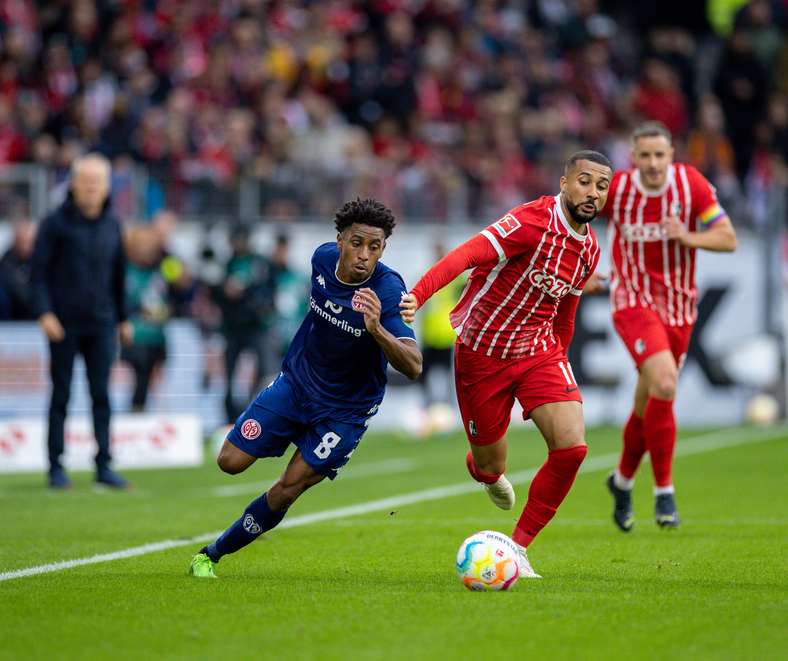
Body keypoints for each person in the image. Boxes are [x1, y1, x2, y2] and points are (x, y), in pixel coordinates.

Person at [400, 151, 612, 578]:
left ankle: (516, 549)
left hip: (539, 352)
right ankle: (482, 469)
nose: (592, 193)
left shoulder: (588, 249)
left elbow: (565, 312)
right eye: (585, 181)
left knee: (572, 448)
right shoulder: (530, 222)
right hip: (481, 354)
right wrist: (418, 296)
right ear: (565, 183)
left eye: (602, 186)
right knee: (492, 465)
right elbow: (465, 255)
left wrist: (557, 370)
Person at [189, 198, 422, 578]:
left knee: (288, 487)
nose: (364, 255)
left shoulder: (388, 290)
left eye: (375, 247)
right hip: (296, 386)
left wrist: (377, 329)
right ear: (340, 241)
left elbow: (413, 365)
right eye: (357, 243)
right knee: (229, 462)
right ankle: (277, 443)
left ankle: (211, 554)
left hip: (344, 412)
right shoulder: (320, 260)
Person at [598, 121, 737, 531]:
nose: (654, 164)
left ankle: (621, 482)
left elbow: (728, 238)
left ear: (672, 155)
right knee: (665, 382)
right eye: (645, 156)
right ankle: (664, 492)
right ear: (633, 156)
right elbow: (575, 220)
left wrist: (687, 237)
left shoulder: (690, 185)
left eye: (660, 155)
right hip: (632, 303)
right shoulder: (618, 189)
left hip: (679, 308)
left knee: (647, 401)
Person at [30, 153, 133, 490]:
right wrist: (44, 312)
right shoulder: (54, 223)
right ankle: (55, 467)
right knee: (60, 394)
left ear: (106, 187)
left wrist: (123, 318)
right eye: (85, 181)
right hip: (63, 323)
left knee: (101, 394)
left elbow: (119, 276)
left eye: (97, 182)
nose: (91, 188)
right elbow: (38, 274)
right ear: (73, 184)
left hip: (102, 322)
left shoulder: (113, 224)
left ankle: (103, 465)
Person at [217, 224, 278, 423]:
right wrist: (225, 292)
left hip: (256, 326)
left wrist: (248, 294)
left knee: (264, 372)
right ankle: (230, 418)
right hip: (234, 327)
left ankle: (255, 412)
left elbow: (268, 291)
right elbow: (216, 293)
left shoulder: (259, 263)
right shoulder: (227, 264)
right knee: (229, 376)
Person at [120, 226, 170, 412]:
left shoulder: (163, 268)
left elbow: (182, 286)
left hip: (158, 336)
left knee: (155, 383)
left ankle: (154, 418)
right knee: (138, 382)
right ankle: (134, 416)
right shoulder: (124, 270)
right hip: (135, 336)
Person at [0, 219, 37, 320]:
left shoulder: (38, 260)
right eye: (23, 242)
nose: (26, 247)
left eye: (30, 242)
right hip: (15, 320)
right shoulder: (6, 263)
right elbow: (21, 296)